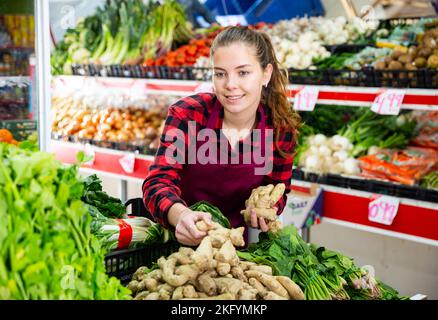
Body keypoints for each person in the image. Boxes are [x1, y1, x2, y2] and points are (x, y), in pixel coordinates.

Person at [142, 26, 301, 246]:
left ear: (266, 74)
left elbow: (278, 190)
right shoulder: (189, 114)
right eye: (220, 73)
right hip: (175, 243)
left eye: (243, 72)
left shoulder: (280, 131)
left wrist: (266, 209)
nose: (230, 85)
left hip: (234, 252)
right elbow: (157, 183)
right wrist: (180, 216)